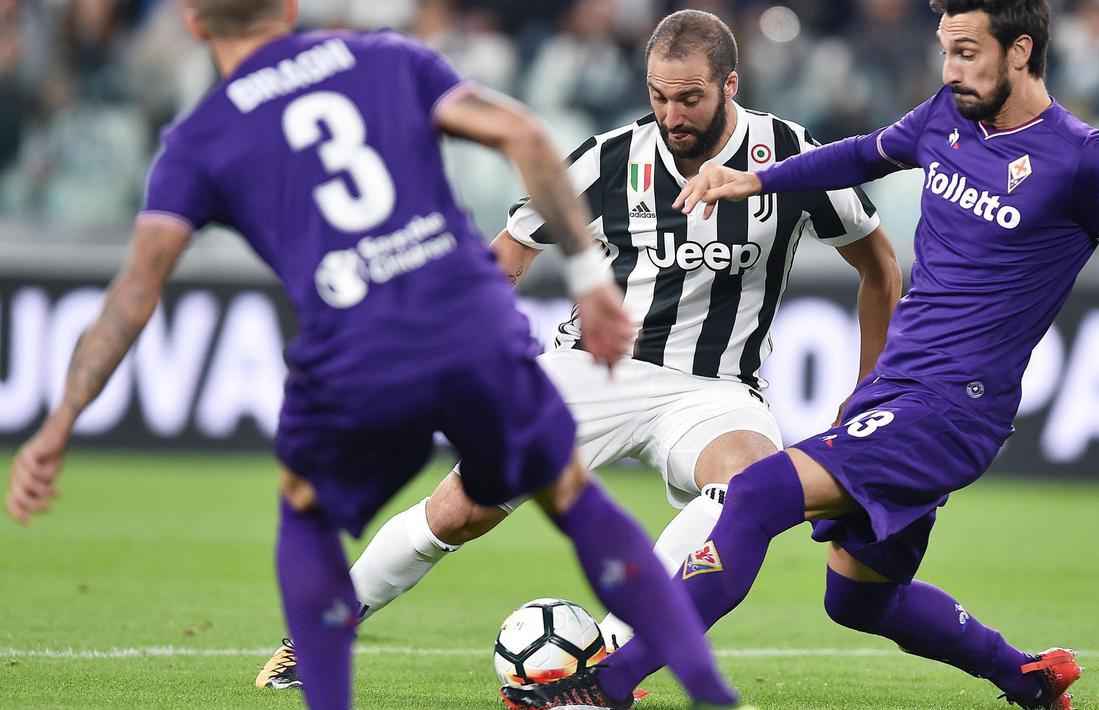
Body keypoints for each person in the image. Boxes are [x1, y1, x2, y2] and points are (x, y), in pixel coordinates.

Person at [2, 2, 750, 709]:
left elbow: (134, 294)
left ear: (193, 23)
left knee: (307, 513)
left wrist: (60, 419)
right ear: (290, 10)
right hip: (468, 314)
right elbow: (523, 136)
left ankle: (319, 660)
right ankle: (701, 686)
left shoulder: (201, 139)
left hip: (355, 339)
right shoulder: (384, 58)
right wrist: (590, 280)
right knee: (568, 493)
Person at [503, 1, 1099, 709]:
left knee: (754, 493)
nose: (949, 71)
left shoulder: (1084, 161)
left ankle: (607, 685)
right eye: (945, 52)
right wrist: (754, 179)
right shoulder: (945, 117)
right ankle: (1027, 677)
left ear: (1019, 51)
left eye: (966, 54)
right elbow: (862, 153)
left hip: (953, 408)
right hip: (897, 389)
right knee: (857, 599)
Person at [254, 8, 901, 690]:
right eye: (658, 96)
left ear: (730, 85)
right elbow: (508, 254)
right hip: (593, 370)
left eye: (689, 98)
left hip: (713, 389)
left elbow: (879, 267)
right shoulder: (607, 158)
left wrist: (864, 392)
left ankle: (609, 662)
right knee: (459, 512)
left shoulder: (789, 156)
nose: (671, 113)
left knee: (747, 485)